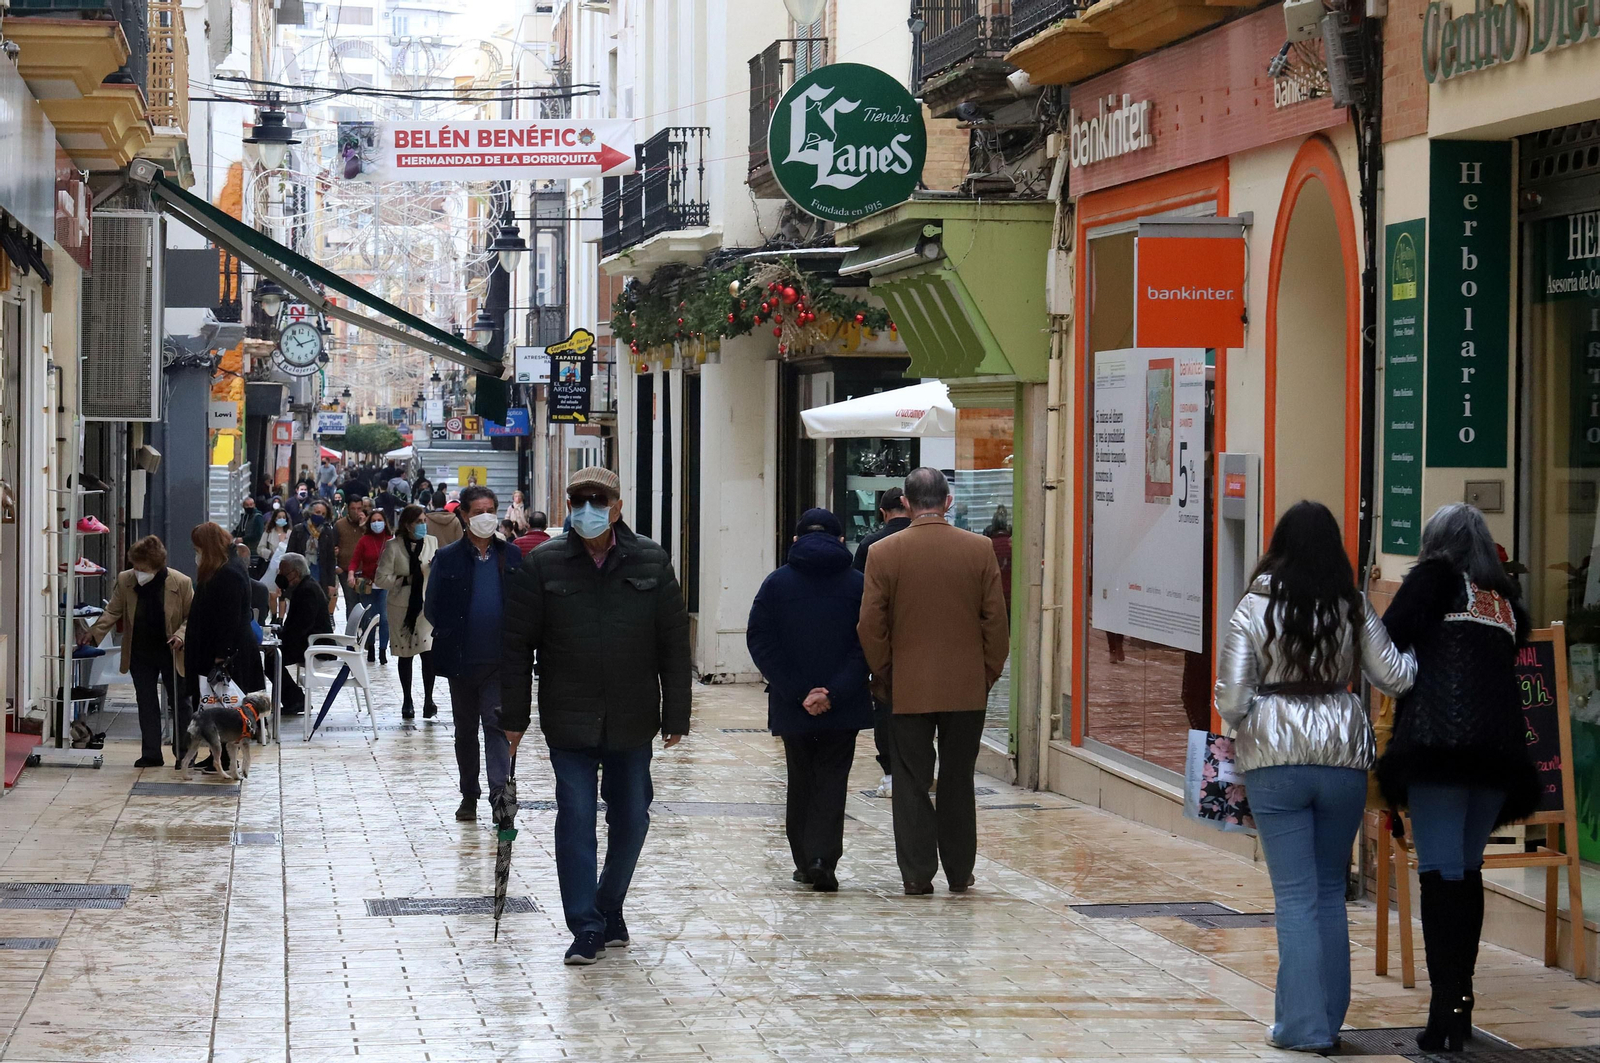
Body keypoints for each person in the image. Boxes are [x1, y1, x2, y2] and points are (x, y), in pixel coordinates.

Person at [1214, 500, 1416, 1053]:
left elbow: (1231, 698)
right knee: (1329, 891)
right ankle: (1327, 1021)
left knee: (1296, 896)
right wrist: (1431, 651)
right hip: (1343, 757)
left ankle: (1301, 1028)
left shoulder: (1254, 606)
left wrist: (1248, 721)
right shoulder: (1352, 605)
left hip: (1275, 760)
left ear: (1278, 547)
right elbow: (1395, 676)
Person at [502, 466, 691, 965]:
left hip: (633, 717)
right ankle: (585, 926)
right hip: (569, 718)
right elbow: (517, 647)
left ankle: (609, 903)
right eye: (580, 501)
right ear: (569, 507)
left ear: (618, 507)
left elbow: (673, 643)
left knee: (632, 818)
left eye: (599, 501)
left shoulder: (651, 560)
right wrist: (513, 719)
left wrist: (677, 713)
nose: (589, 509)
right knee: (576, 819)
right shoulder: (543, 564)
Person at [1376, 503, 1539, 1052]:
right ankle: (1461, 1005)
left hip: (1437, 751)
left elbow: (1388, 640)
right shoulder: (1504, 600)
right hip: (1498, 758)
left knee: (1439, 875)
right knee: (1467, 872)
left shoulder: (1432, 580)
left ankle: (1442, 1012)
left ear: (1435, 542)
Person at [857, 467, 1008, 896]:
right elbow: (996, 624)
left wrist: (886, 675)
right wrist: (985, 674)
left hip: (906, 687)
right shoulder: (978, 549)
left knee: (910, 780)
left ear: (905, 503)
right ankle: (960, 871)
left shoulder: (883, 552)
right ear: (948, 501)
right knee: (959, 779)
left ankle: (917, 873)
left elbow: (870, 626)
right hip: (966, 688)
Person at [747, 508, 871, 893]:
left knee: (800, 778)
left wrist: (800, 691)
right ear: (841, 540)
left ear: (796, 540)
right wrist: (834, 691)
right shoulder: (859, 584)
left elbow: (760, 640)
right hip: (843, 705)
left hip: (792, 705)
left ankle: (804, 860)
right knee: (832, 779)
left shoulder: (776, 584)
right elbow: (868, 643)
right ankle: (823, 858)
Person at [425, 485, 523, 823]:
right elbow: (432, 607)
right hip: (461, 660)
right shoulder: (448, 557)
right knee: (465, 731)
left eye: (490, 511)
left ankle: (499, 796)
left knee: (496, 726)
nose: (486, 517)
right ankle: (469, 794)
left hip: (499, 660)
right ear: (464, 516)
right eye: (478, 512)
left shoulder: (511, 556)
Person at [79, 536, 192, 766]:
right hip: (141, 650)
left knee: (180, 702)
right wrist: (93, 633)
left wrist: (180, 635)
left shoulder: (181, 582)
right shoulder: (126, 580)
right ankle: (151, 754)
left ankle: (185, 754)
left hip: (171, 651)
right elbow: (113, 610)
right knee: (146, 701)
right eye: (135, 566)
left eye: (143, 568)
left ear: (157, 566)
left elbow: (192, 617)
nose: (138, 572)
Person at [184, 523, 267, 769]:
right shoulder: (224, 568)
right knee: (214, 704)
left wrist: (222, 654)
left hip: (227, 655)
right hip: (219, 649)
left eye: (198, 548)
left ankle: (225, 759)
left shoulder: (228, 573)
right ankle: (216, 756)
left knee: (224, 707)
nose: (196, 554)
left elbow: (229, 618)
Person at [852, 487, 913, 798]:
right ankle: (919, 766)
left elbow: (860, 596)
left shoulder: (870, 545)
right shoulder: (924, 541)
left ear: (883, 512)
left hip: (884, 639)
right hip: (920, 639)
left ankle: (890, 772)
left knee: (885, 705)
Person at [375, 503, 438, 720]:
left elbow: (437, 570)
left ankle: (429, 699)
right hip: (401, 608)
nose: (422, 525)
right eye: (418, 522)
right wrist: (404, 580)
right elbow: (380, 579)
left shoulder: (432, 542)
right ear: (407, 524)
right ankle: (407, 700)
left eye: (424, 521)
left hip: (425, 607)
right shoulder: (393, 546)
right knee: (406, 654)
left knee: (428, 652)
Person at [270, 553, 332, 716]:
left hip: (315, 644)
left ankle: (297, 701)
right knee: (273, 656)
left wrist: (280, 642)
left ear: (295, 573)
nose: (280, 576)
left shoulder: (307, 590)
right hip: (307, 640)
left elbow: (301, 626)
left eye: (283, 573)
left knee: (273, 659)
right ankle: (295, 699)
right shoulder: (303, 587)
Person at [348, 508, 393, 664]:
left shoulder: (390, 540)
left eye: (379, 520)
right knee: (369, 618)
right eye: (373, 521)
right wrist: (351, 574)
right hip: (368, 585)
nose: (376, 523)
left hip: (385, 584)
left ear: (385, 522)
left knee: (384, 618)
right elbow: (355, 560)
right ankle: (371, 647)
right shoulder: (364, 540)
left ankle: (383, 650)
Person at [288, 500, 340, 619]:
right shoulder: (299, 530)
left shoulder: (327, 532)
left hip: (320, 574)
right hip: (301, 573)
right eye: (317, 512)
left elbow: (331, 559)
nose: (320, 515)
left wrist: (331, 583)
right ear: (311, 512)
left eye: (323, 514)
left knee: (317, 606)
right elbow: (290, 554)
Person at [334, 497, 368, 594]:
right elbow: (333, 546)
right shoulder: (339, 525)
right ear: (348, 509)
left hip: (365, 571)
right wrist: (337, 568)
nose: (356, 512)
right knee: (351, 600)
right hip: (345, 570)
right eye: (353, 508)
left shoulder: (368, 524)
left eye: (359, 508)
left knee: (365, 600)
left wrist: (364, 526)